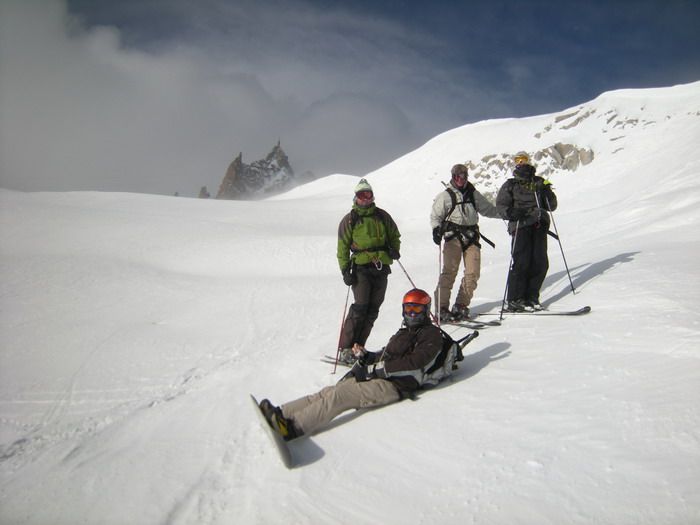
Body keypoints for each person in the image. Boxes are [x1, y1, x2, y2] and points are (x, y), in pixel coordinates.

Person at [258, 289, 443, 441]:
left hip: (396, 386)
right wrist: (369, 356)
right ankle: (282, 413)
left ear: (426, 310)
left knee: (342, 395)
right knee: (329, 391)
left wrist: (380, 368)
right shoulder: (404, 332)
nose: (412, 313)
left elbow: (417, 361)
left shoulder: (431, 334)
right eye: (409, 308)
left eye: (417, 309)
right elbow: (386, 354)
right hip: (379, 378)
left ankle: (292, 428)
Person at [336, 178, 401, 364]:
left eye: (368, 194)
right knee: (360, 306)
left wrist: (394, 249)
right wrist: (344, 270)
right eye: (361, 195)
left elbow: (394, 235)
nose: (365, 198)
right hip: (361, 268)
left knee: (373, 308)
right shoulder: (350, 219)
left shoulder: (382, 216)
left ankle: (358, 346)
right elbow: (342, 247)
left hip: (381, 267)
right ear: (355, 198)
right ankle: (345, 348)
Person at [430, 163, 500, 322]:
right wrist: (436, 230)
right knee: (449, 272)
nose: (460, 180)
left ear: (466, 177)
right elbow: (435, 217)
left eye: (463, 177)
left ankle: (461, 305)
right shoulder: (445, 196)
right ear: (452, 177)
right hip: (452, 238)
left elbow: (488, 210)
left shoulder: (474, 194)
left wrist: (507, 213)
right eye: (456, 177)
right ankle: (441, 308)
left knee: (473, 272)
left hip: (471, 237)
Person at [496, 151, 558, 312]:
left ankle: (531, 297)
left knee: (540, 262)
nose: (521, 162)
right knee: (522, 262)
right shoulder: (510, 184)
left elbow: (552, 206)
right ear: (515, 164)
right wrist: (511, 212)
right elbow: (501, 206)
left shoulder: (540, 182)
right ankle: (515, 299)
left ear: (529, 161)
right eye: (518, 160)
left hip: (538, 224)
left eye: (524, 159)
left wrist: (548, 194)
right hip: (520, 224)